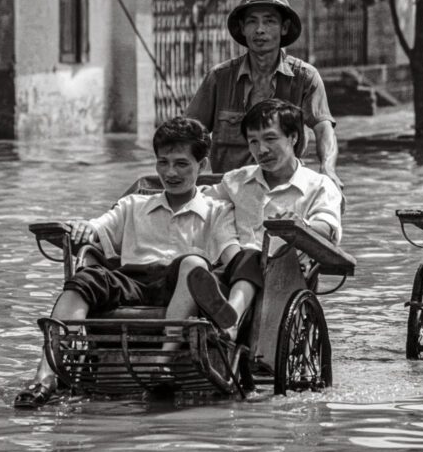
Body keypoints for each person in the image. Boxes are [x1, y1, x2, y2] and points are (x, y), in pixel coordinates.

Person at [14, 117, 259, 408]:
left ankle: (163, 360)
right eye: (163, 163)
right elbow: (98, 227)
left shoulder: (217, 211)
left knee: (193, 264)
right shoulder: (133, 205)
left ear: (202, 166)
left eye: (182, 164)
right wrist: (81, 227)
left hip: (184, 285)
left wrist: (249, 268)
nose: (171, 172)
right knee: (85, 279)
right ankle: (45, 376)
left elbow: (231, 252)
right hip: (132, 281)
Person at [185, 99, 342, 340]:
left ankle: (231, 321)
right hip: (231, 267)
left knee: (251, 256)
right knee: (198, 265)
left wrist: (300, 225)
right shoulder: (235, 181)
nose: (261, 150)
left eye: (270, 139)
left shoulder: (319, 186)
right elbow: (199, 204)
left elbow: (327, 227)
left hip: (285, 277)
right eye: (253, 142)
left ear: (293, 138)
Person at [185, 0, 342, 188]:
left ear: (284, 28)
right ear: (242, 28)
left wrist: (328, 170)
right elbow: (190, 136)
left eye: (269, 21)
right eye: (252, 21)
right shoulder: (219, 77)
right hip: (231, 191)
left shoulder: (305, 77)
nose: (260, 30)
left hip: (284, 190)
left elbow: (324, 130)